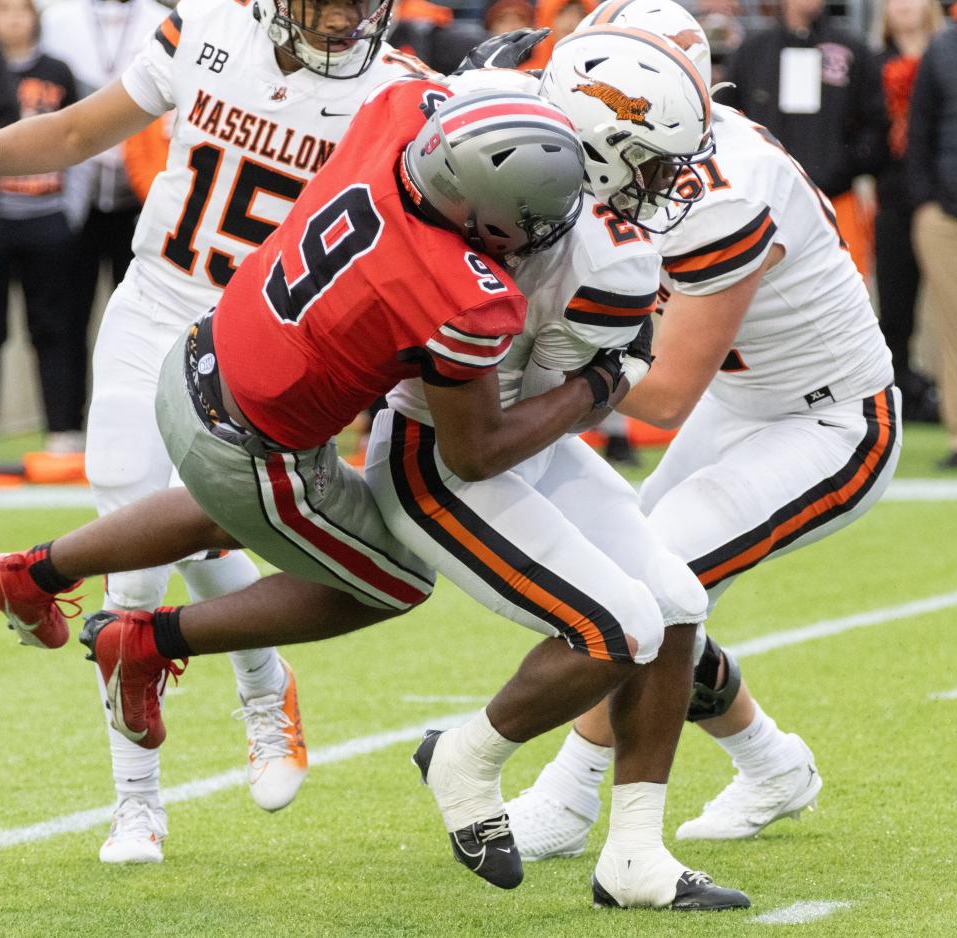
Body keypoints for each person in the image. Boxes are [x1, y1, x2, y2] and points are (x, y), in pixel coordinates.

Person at [0, 78, 620, 894]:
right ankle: (145, 642)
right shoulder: (463, 294)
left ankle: (30, 574)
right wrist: (597, 389)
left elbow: (442, 97)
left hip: (199, 354)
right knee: (395, 581)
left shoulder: (396, 119)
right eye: (526, 217)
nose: (537, 234)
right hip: (255, 444)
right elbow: (474, 453)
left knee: (226, 515)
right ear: (475, 208)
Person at [0, 0, 435, 865]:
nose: (348, 16)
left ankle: (166, 777)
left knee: (170, 533)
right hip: (156, 300)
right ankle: (174, 771)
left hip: (264, 334)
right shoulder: (203, 27)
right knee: (135, 541)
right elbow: (77, 132)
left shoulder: (400, 96)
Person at [502, 0, 900, 860]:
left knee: (649, 587)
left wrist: (529, 356)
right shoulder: (649, 145)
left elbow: (665, 393)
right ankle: (772, 763)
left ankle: (565, 798)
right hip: (742, 407)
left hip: (830, 422)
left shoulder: (721, 193)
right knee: (652, 585)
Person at [365, 27, 749, 911]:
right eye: (652, 165)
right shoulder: (606, 256)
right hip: (445, 456)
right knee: (619, 626)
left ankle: (634, 856)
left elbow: (478, 87)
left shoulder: (499, 148)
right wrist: (610, 377)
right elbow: (489, 438)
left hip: (516, 437)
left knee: (679, 604)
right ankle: (469, 756)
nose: (664, 188)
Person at [38, 0, 169, 454]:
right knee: (65, 317)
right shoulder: (57, 19)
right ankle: (63, 428)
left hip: (145, 193)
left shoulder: (162, 20)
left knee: (145, 318)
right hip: (73, 193)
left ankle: (149, 429)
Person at [722, 0, 888, 280]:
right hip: (764, 204)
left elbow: (875, 123)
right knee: (764, 298)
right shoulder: (753, 50)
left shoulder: (852, 49)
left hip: (835, 200)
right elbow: (725, 117)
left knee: (843, 295)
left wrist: (843, 166)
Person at [0, 0, 84, 451]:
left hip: (47, 218)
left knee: (55, 327)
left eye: (21, 9)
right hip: (0, 219)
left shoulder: (58, 71)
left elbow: (81, 140)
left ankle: (63, 432)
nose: (13, 18)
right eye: (3, 9)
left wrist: (72, 210)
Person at [872, 0, 944, 422]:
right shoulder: (873, 63)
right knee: (895, 306)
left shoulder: (944, 58)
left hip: (941, 198)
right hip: (894, 198)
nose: (904, 6)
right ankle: (896, 392)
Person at [909, 8, 957, 469]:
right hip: (946, 214)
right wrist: (925, 201)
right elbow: (919, 133)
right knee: (954, 326)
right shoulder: (941, 51)